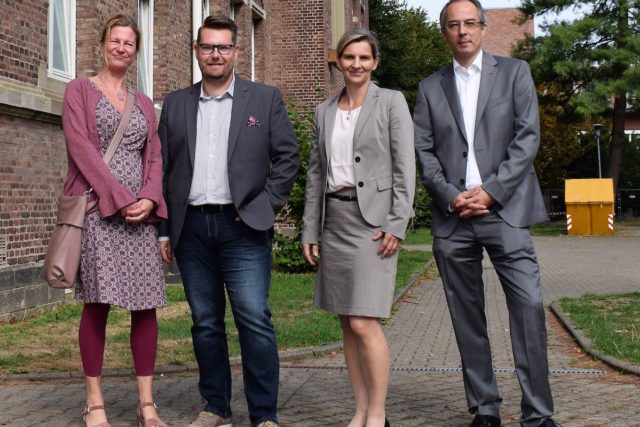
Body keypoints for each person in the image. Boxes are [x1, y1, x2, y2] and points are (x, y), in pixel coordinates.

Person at [413, 1, 559, 426]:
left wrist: (492, 192)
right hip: (454, 218)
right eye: (454, 25)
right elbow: (423, 150)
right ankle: (485, 408)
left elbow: (527, 138)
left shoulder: (515, 74)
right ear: (444, 32)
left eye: (470, 23)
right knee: (466, 316)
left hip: (506, 212)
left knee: (529, 307)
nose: (463, 31)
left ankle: (538, 413)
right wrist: (449, 194)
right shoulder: (429, 87)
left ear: (483, 27)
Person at [158, 15, 299, 427]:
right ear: (196, 51)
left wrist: (266, 205)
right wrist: (164, 230)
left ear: (236, 51)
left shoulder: (264, 98)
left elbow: (287, 157)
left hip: (244, 228)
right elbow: (164, 169)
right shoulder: (177, 103)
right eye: (207, 47)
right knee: (204, 322)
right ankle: (215, 406)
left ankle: (264, 414)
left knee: (253, 318)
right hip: (192, 230)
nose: (215, 54)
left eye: (223, 47)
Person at [301, 28, 415, 427]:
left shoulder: (391, 102)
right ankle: (360, 410)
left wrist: (397, 223)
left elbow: (405, 168)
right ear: (340, 61)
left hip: (374, 225)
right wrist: (309, 230)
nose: (356, 64)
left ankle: (379, 413)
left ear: (375, 62)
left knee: (365, 321)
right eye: (350, 57)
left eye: (364, 58)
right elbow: (316, 175)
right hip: (335, 222)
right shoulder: (324, 111)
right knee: (347, 321)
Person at [61, 14, 168, 427]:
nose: (122, 48)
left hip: (140, 218)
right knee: (98, 305)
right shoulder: (79, 90)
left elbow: (154, 155)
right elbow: (81, 148)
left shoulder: (143, 103)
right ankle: (95, 403)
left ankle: (146, 405)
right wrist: (120, 198)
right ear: (103, 44)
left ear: (136, 51)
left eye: (129, 43)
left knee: (146, 308)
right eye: (115, 41)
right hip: (97, 212)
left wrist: (149, 197)